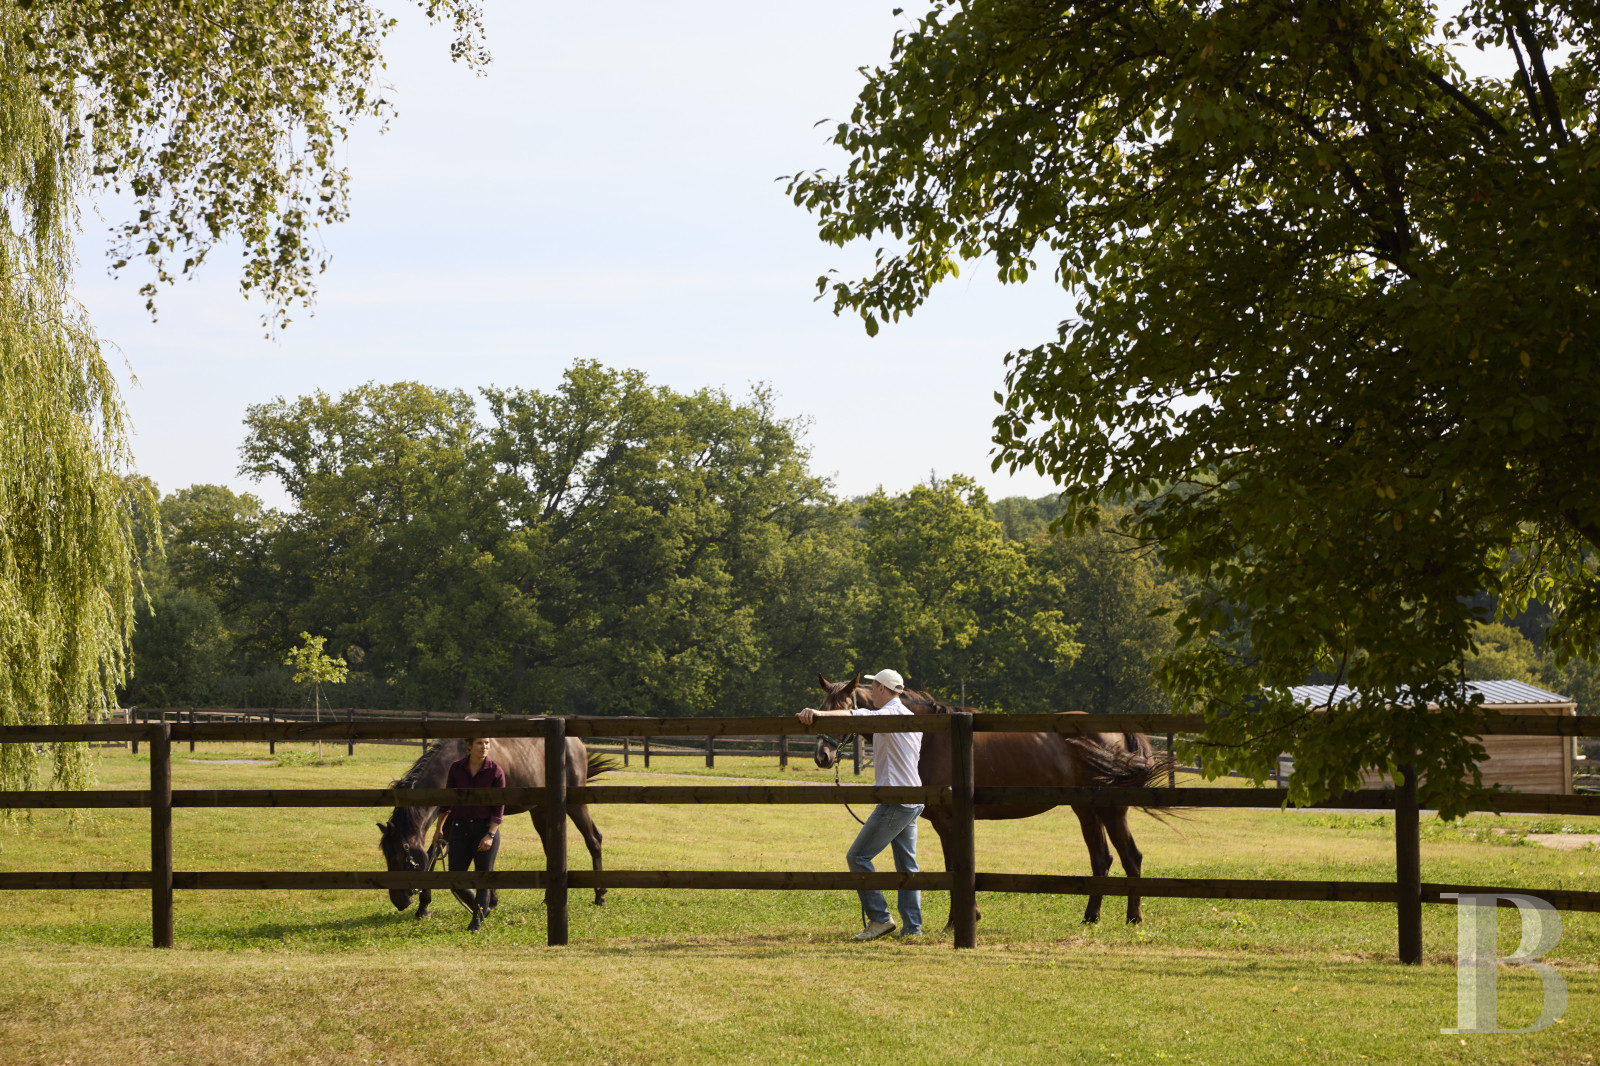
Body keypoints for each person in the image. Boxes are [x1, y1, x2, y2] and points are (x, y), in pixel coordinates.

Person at [797, 668, 923, 941]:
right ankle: (913, 927)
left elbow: (858, 715)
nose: (870, 693)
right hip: (912, 800)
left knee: (858, 857)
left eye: (873, 686)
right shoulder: (910, 717)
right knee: (907, 867)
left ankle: (880, 919)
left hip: (895, 802)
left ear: (881, 689)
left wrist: (818, 714)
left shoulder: (888, 715)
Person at [430, 731, 505, 932]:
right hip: (460, 828)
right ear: (469, 745)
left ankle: (476, 923)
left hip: (484, 829)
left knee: (483, 877)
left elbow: (499, 807)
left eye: (487, 743)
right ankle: (480, 909)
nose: (484, 746)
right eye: (480, 743)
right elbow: (448, 801)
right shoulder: (456, 768)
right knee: (455, 879)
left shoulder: (495, 771)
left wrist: (490, 834)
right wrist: (438, 829)